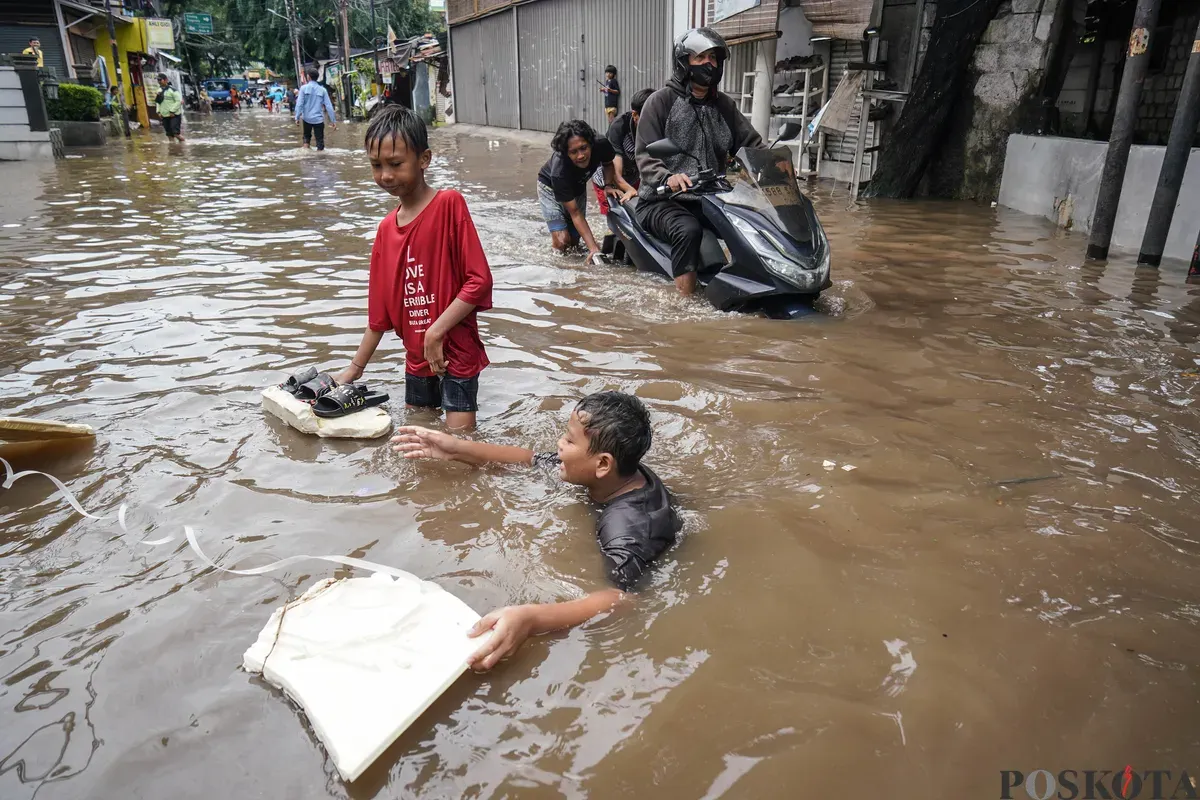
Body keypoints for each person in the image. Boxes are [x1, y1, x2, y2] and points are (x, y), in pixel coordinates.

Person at [391, 390, 681, 671]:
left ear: (603, 463)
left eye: (568, 439)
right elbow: (531, 459)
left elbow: (622, 598)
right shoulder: (615, 473)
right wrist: (455, 449)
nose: (559, 444)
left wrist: (533, 618)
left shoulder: (626, 526)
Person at [335, 106, 493, 430]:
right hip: (416, 362)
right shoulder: (384, 230)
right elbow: (379, 316)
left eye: (395, 164)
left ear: (424, 159)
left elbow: (479, 281)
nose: (385, 176)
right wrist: (354, 368)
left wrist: (436, 331)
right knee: (417, 450)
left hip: (457, 357)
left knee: (459, 448)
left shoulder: (449, 205)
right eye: (376, 166)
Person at [635, 27, 764, 296]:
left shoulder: (725, 106)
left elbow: (752, 143)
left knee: (754, 224)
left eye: (714, 58)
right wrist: (666, 177)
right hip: (662, 201)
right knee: (688, 230)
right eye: (701, 57)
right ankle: (684, 303)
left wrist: (777, 165)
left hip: (710, 199)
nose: (709, 64)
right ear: (684, 62)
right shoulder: (660, 102)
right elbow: (646, 154)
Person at [537, 119, 636, 262]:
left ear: (591, 143)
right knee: (562, 241)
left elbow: (608, 164)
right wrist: (594, 248)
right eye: (574, 152)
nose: (581, 155)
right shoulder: (559, 171)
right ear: (566, 153)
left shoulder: (601, 143)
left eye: (584, 148)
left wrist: (607, 185)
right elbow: (575, 213)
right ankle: (558, 267)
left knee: (574, 243)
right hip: (549, 188)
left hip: (578, 186)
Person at [590, 87, 653, 217]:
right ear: (635, 115)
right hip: (608, 179)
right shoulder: (619, 127)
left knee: (637, 214)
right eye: (649, 117)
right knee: (614, 215)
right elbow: (615, 173)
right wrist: (631, 191)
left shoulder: (658, 125)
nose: (654, 122)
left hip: (634, 175)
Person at [294, 68, 337, 151]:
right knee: (320, 142)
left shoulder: (303, 88)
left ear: (308, 77)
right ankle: (320, 161)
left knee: (306, 139)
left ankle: (306, 159)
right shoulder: (323, 90)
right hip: (319, 120)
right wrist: (333, 121)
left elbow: (299, 104)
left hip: (306, 119)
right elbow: (329, 106)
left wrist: (297, 117)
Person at [154, 73, 185, 143]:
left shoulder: (173, 90)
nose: (159, 81)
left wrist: (172, 111)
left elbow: (179, 101)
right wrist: (158, 112)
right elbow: (158, 102)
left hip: (174, 115)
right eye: (158, 80)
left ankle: (184, 145)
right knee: (169, 135)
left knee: (176, 134)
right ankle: (173, 149)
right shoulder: (158, 91)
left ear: (166, 80)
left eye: (160, 80)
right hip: (164, 115)